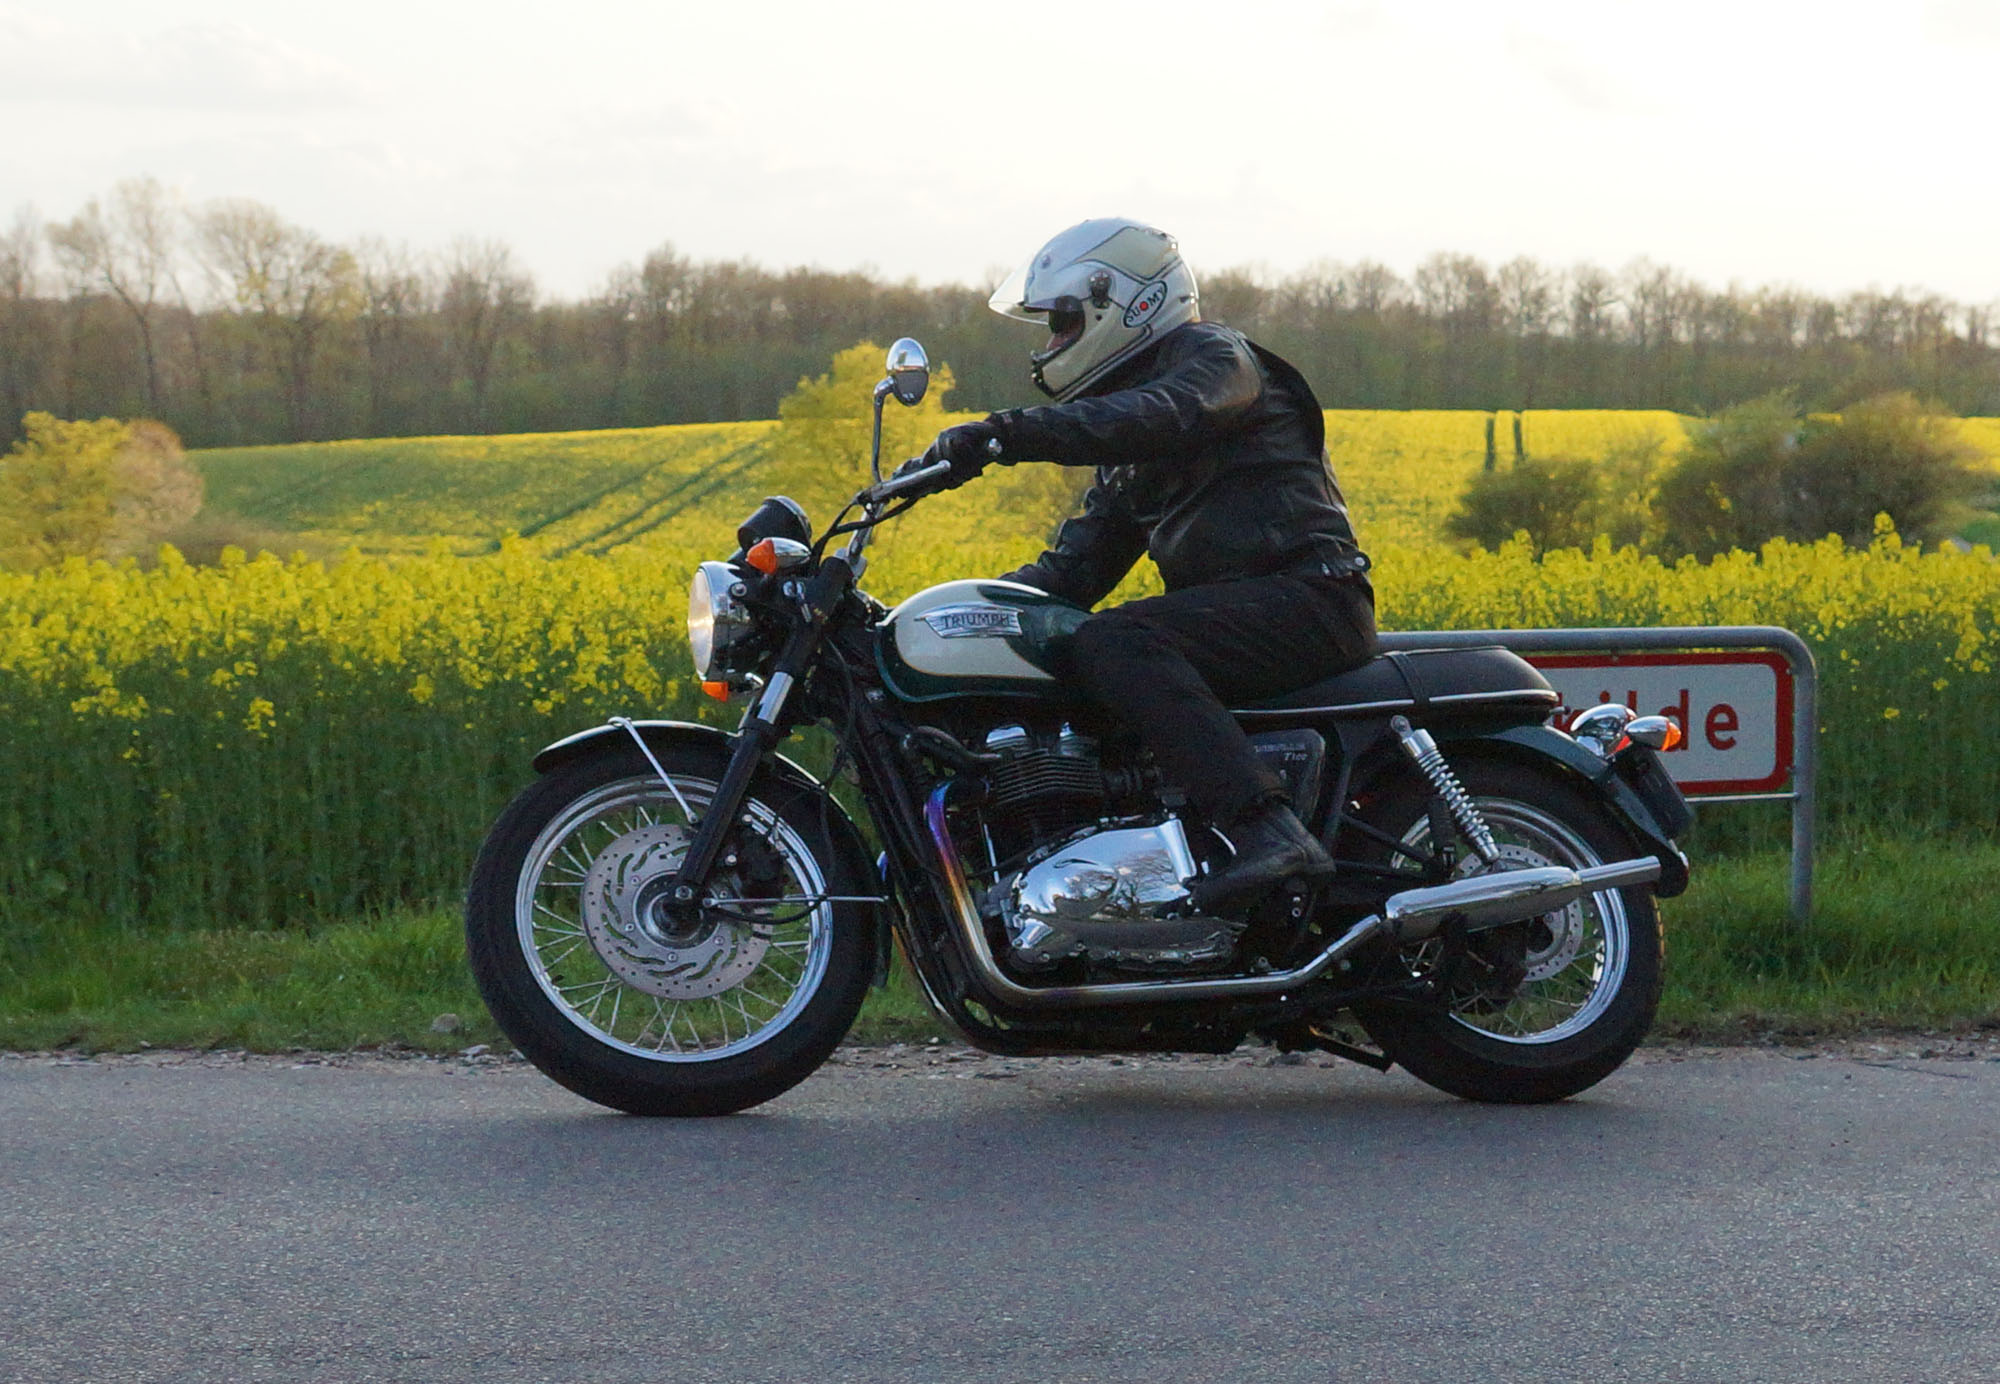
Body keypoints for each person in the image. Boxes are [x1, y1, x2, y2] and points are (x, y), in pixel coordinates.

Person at [918, 217, 1378, 910]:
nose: (1052, 344)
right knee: (1066, 650)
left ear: (1125, 302)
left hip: (1308, 596)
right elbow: (1071, 575)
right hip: (1245, 612)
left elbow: (1164, 411)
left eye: (1064, 323)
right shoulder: (1133, 455)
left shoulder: (1217, 361)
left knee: (1118, 640)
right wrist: (954, 618)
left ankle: (1267, 833)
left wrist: (1006, 434)